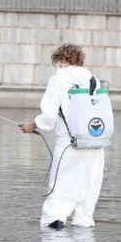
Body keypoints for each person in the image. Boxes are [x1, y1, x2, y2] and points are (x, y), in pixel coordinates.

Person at [20, 44, 104, 229]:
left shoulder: (59, 78)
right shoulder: (93, 80)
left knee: (60, 186)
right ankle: (84, 224)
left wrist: (32, 125)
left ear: (62, 60)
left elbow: (49, 117)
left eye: (57, 61)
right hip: (95, 143)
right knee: (88, 188)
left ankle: (54, 225)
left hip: (69, 143)